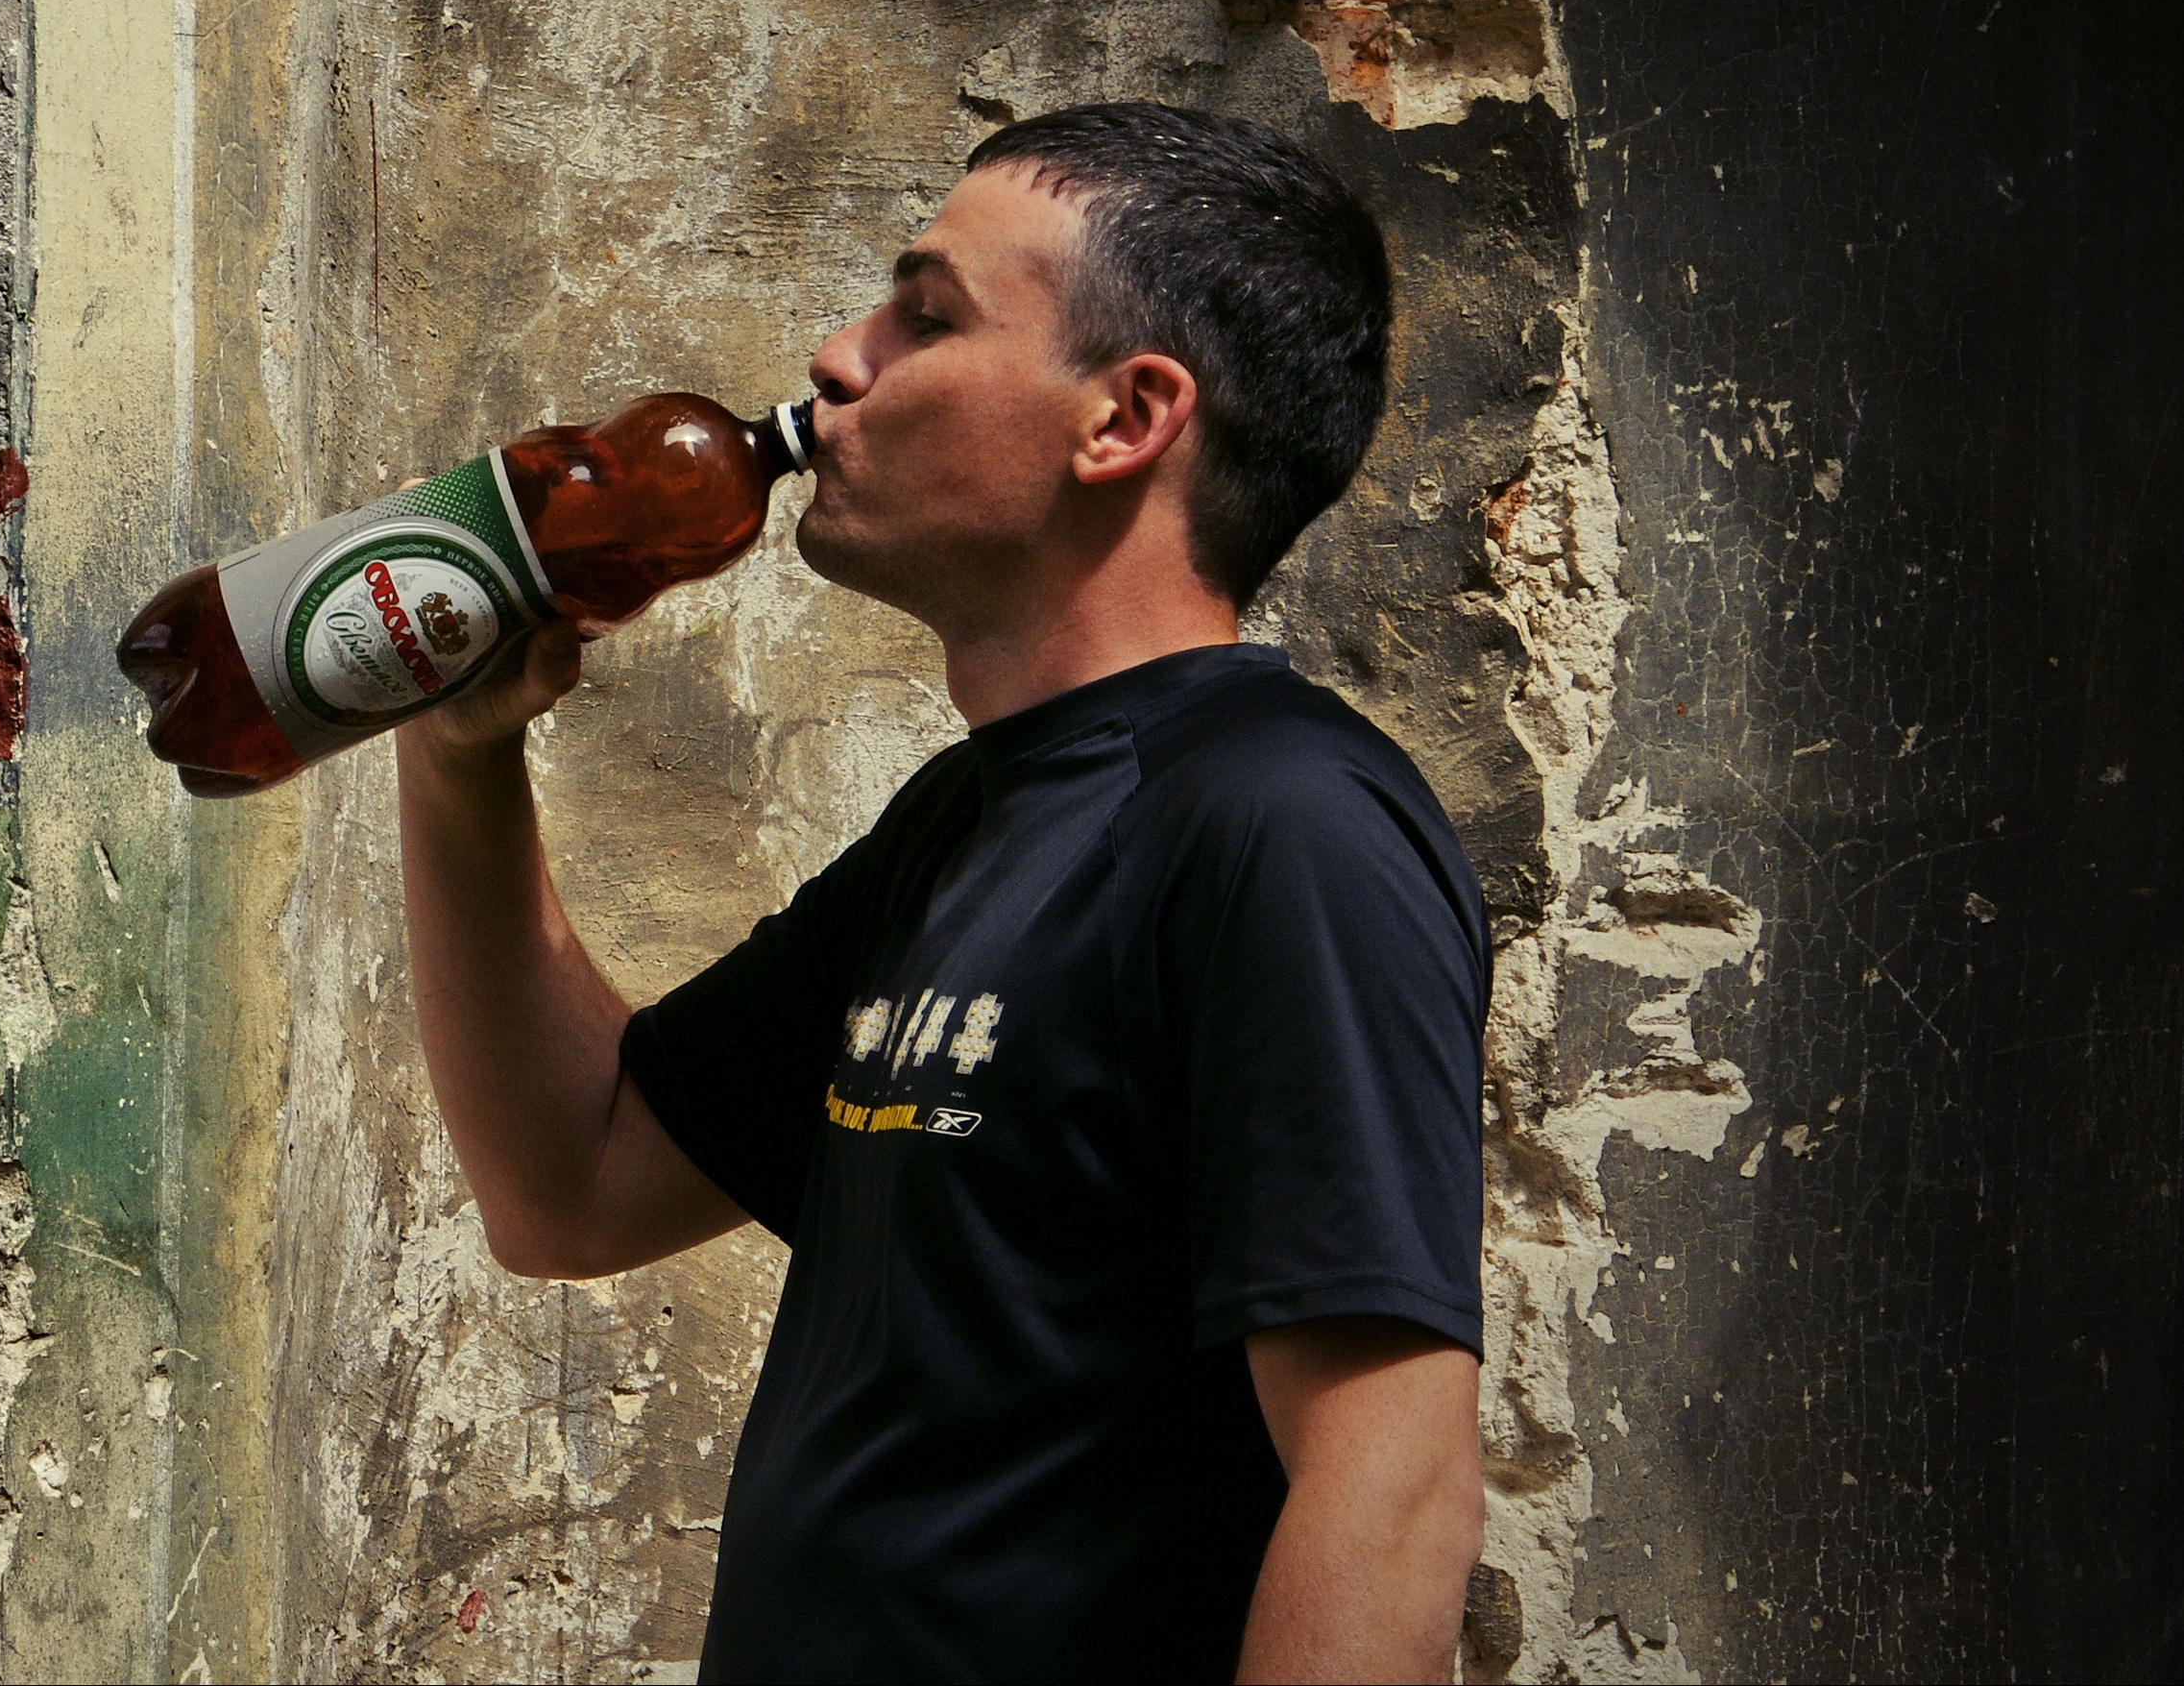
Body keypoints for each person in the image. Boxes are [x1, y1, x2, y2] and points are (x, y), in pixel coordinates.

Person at [397, 102, 1487, 1684]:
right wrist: (457, 761)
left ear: (1124, 417)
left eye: (924, 313)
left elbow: (1387, 1482)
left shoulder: (1280, 823)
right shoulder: (970, 817)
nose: (837, 357)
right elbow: (572, 1184)